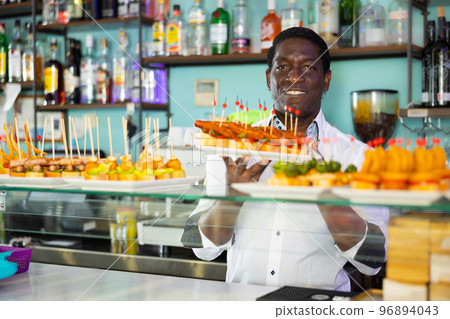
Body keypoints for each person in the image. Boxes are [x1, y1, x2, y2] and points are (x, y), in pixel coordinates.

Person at [182, 27, 388, 291]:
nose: (294, 77)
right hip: (244, 307)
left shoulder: (359, 157)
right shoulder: (230, 150)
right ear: (269, 78)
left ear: (326, 80)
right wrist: (231, 196)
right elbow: (202, 249)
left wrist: (329, 200)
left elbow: (373, 261)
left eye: (309, 67)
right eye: (282, 67)